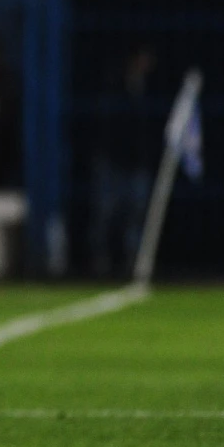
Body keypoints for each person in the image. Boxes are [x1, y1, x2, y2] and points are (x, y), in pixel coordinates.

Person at [90, 46, 156, 277]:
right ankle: (101, 260)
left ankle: (133, 262)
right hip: (114, 162)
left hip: (137, 164)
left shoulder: (150, 90)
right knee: (106, 215)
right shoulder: (114, 87)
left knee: (136, 216)